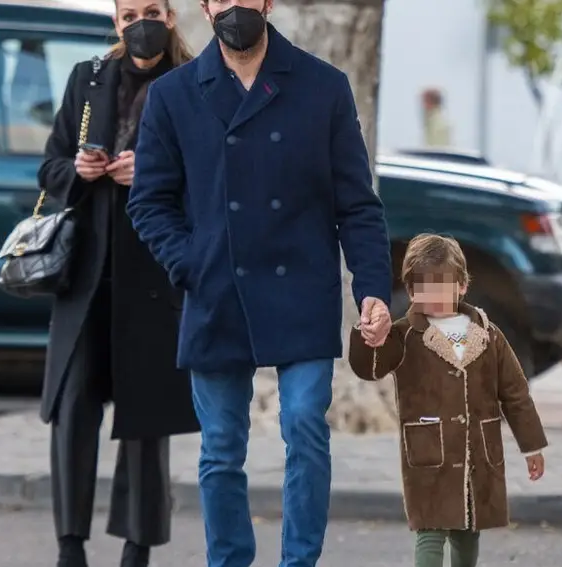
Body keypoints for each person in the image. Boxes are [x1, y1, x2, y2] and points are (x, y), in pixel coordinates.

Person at [125, 0, 393, 564]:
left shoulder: (323, 87)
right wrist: (189, 262)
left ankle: (299, 562)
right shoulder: (174, 95)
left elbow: (358, 205)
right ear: (205, 5)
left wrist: (372, 289)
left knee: (304, 426)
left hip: (302, 289)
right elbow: (148, 201)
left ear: (268, 3)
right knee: (221, 450)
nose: (234, 7)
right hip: (215, 291)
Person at [35, 2, 199, 566]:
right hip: (85, 273)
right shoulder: (90, 78)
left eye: (152, 10)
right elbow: (51, 165)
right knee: (72, 407)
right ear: (116, 20)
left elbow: (214, 176)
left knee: (146, 418)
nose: (140, 22)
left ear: (172, 17)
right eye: (129, 12)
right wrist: (77, 172)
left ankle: (138, 548)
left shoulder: (195, 82)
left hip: (154, 274)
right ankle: (69, 545)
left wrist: (150, 173)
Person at [348, 234, 548, 567]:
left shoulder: (488, 334)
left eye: (443, 285)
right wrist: (368, 335)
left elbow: (515, 393)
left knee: (469, 530)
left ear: (462, 286)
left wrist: (531, 446)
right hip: (429, 453)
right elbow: (370, 368)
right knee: (430, 530)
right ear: (411, 292)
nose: (435, 295)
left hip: (477, 454)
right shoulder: (403, 334)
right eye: (424, 287)